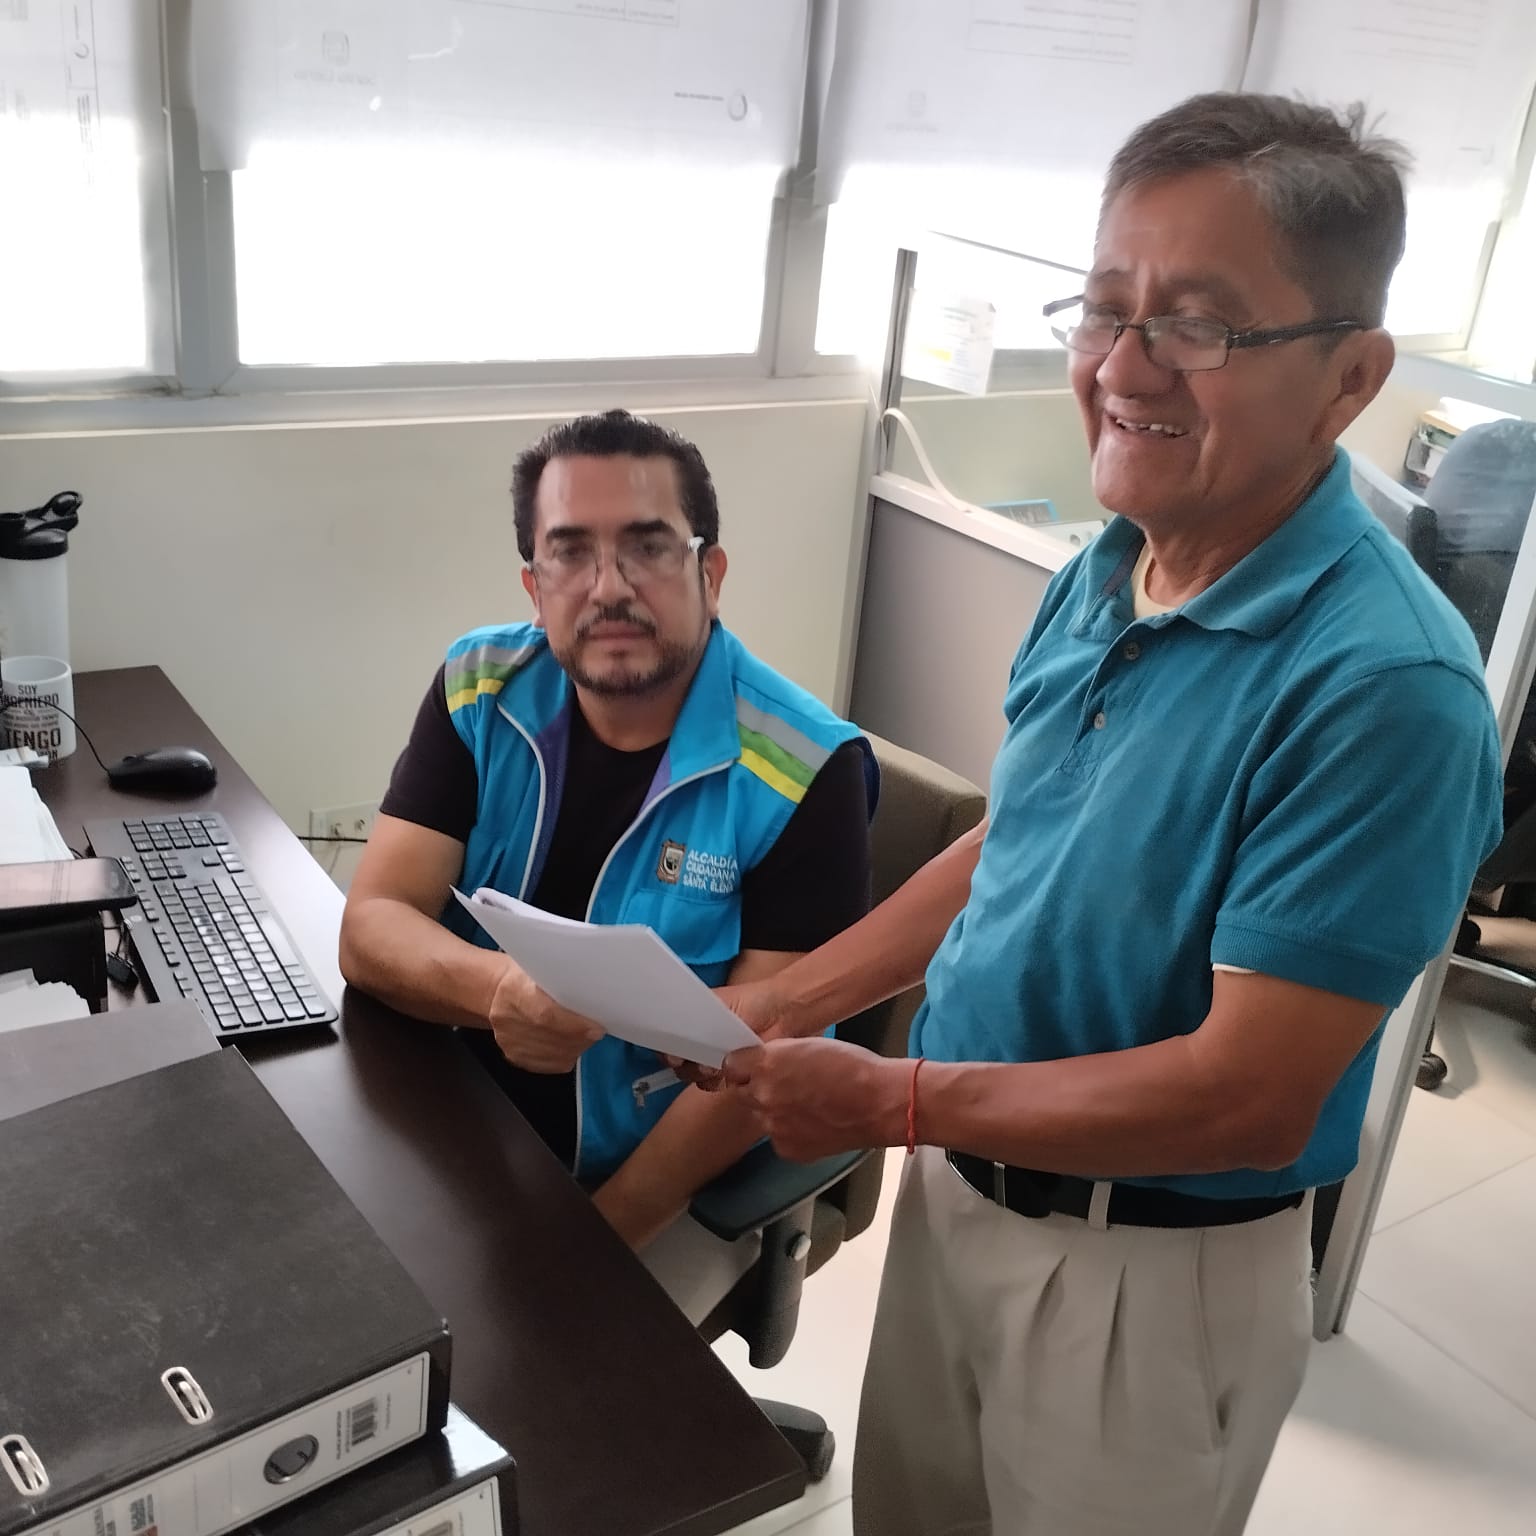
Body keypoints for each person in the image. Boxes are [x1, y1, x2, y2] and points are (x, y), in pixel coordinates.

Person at [709, 94, 1505, 1534]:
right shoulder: (1110, 565)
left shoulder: (1386, 690)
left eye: (1197, 324)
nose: (1122, 368)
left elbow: (1248, 1098)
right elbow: (1011, 842)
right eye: (1104, 309)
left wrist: (889, 1099)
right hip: (959, 1195)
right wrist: (790, 1000)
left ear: (1349, 377)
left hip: (1147, 1276)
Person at [339, 408, 877, 1323]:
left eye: (648, 548)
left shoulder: (803, 770)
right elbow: (372, 924)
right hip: (451, 1132)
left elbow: (762, 1066)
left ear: (710, 574)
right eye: (571, 553)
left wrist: (592, 1246)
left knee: (530, 1384)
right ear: (534, 585)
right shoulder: (480, 686)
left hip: (651, 1184)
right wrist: (498, 992)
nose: (610, 587)